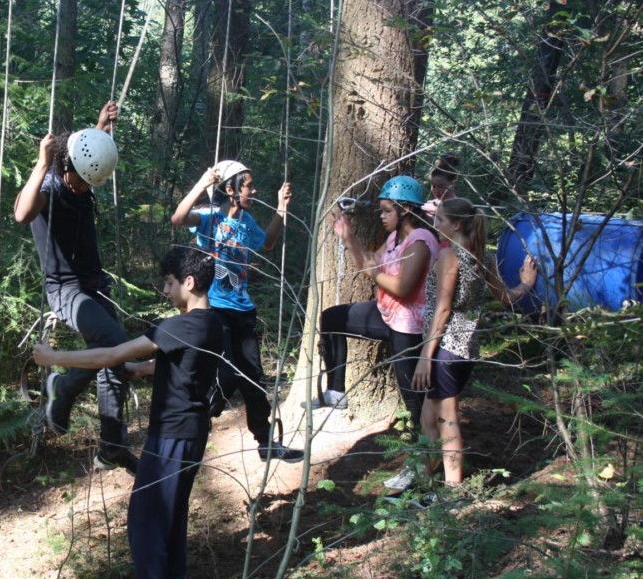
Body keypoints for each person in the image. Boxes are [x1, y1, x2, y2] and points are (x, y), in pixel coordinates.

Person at [33, 246, 222, 579]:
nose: (166, 291)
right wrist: (138, 369)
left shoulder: (181, 325)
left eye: (169, 283)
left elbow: (113, 351)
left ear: (189, 283)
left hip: (173, 433)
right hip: (188, 431)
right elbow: (168, 362)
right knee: (168, 514)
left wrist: (55, 358)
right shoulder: (211, 324)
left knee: (147, 516)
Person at [13, 101, 138, 474]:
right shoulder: (50, 187)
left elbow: (90, 150)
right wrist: (40, 162)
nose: (85, 189)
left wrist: (101, 125)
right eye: (81, 181)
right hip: (64, 289)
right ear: (66, 167)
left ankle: (112, 447)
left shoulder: (82, 172)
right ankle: (62, 387)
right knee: (116, 346)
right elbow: (21, 214)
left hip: (94, 284)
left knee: (114, 363)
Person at [312, 176, 440, 491]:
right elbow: (368, 263)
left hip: (408, 327)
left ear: (406, 209)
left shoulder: (422, 241)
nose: (381, 217)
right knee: (332, 319)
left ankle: (419, 468)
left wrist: (372, 269)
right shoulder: (395, 236)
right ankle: (336, 391)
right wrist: (348, 237)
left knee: (414, 402)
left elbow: (403, 287)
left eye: (386, 211)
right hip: (387, 314)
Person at [170, 160, 303, 462]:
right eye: (248, 186)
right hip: (215, 309)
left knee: (254, 378)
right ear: (230, 189)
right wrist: (203, 183)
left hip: (244, 309)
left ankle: (266, 441)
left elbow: (267, 243)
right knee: (226, 374)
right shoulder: (208, 217)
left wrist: (281, 208)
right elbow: (178, 217)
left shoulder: (247, 221)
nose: (254, 191)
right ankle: (199, 416)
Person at [411, 198, 537, 486]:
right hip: (465, 349)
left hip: (443, 349)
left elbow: (443, 309)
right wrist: (526, 283)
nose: (435, 224)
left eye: (440, 220)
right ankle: (424, 481)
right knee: (428, 418)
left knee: (447, 421)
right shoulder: (483, 256)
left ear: (456, 224)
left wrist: (424, 358)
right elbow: (505, 297)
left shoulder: (450, 256)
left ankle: (453, 489)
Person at [422, 153, 459, 220]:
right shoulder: (427, 207)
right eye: (434, 186)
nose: (437, 191)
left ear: (453, 184)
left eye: (441, 186)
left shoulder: (461, 208)